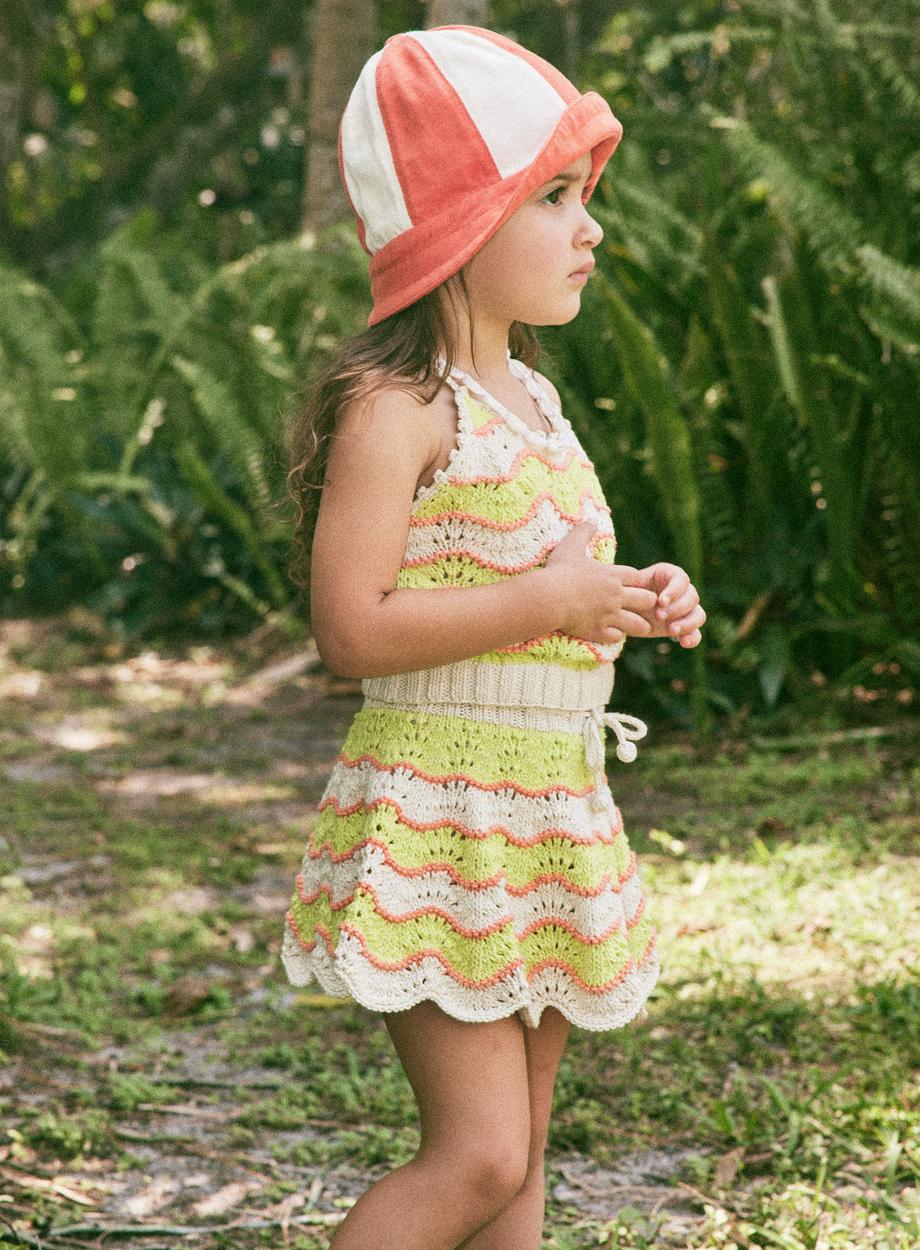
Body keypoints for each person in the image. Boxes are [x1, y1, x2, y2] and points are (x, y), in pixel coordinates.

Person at [279, 24, 706, 1250]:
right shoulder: (399, 407)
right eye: (557, 198)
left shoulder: (536, 402)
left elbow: (553, 576)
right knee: (475, 1155)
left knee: (521, 1179)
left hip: (547, 807)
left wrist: (635, 593)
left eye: (589, 200)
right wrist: (550, 603)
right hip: (441, 811)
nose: (593, 229)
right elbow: (350, 628)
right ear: (458, 226)